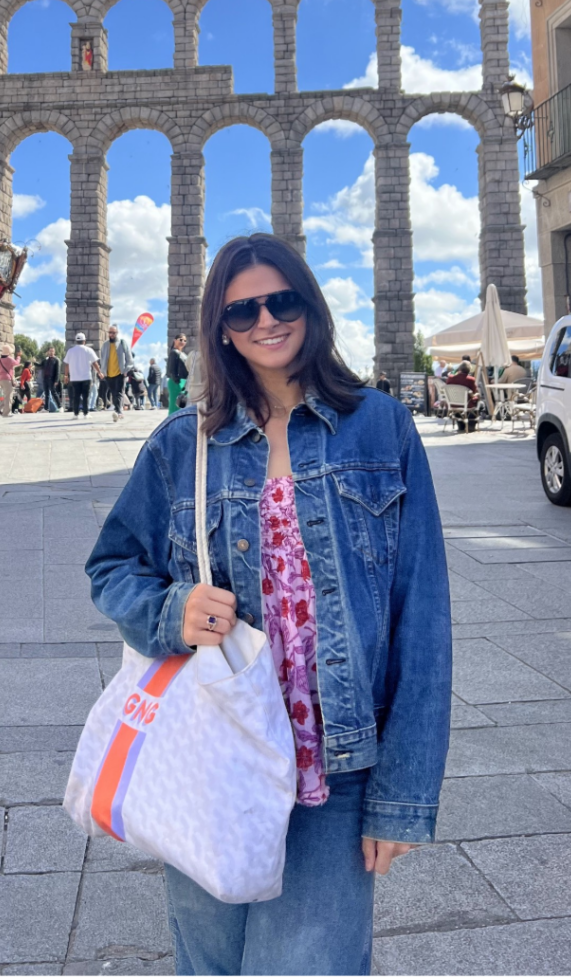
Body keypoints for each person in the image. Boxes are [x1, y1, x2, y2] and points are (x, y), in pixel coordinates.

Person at [86, 233, 451, 976]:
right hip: (216, 754)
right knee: (211, 967)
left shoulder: (382, 427)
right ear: (221, 328)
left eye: (280, 300)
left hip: (339, 763)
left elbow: (424, 617)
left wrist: (403, 794)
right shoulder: (182, 444)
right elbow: (112, 566)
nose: (265, 320)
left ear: (309, 307)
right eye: (242, 309)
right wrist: (171, 612)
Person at [63, 332, 102, 419]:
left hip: (74, 378)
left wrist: (66, 376)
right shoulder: (89, 350)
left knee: (76, 396)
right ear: (84, 341)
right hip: (86, 377)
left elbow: (66, 364)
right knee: (85, 396)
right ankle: (86, 413)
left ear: (76, 341)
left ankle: (76, 414)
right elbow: (94, 363)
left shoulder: (70, 351)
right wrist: (99, 372)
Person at [99, 324, 133, 422]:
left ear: (117, 333)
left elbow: (129, 358)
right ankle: (118, 411)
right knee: (114, 394)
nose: (111, 335)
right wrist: (103, 371)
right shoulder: (105, 345)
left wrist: (126, 370)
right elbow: (102, 359)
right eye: (110, 332)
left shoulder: (122, 343)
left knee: (119, 393)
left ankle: (118, 412)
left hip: (120, 373)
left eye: (113, 333)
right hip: (109, 374)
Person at [446, 361, 479, 431]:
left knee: (459, 408)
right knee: (480, 403)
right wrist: (477, 395)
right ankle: (471, 425)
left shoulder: (450, 378)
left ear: (459, 368)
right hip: (466, 404)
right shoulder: (471, 379)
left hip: (452, 403)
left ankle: (460, 425)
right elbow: (473, 392)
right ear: (469, 370)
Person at [166, 333, 189, 415]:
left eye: (185, 340)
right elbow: (172, 369)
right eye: (181, 339)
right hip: (176, 382)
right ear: (175, 341)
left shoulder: (181, 353)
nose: (183, 342)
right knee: (175, 405)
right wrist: (177, 382)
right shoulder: (174, 353)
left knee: (182, 404)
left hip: (183, 382)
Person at [0, 344, 20, 417]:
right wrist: (18, 357)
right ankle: (6, 413)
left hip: (1, 379)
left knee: (8, 396)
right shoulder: (9, 359)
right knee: (9, 396)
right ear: (9, 352)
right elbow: (17, 363)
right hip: (7, 379)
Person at [40, 347, 60, 412]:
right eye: (50, 351)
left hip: (52, 378)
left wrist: (56, 380)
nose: (51, 352)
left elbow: (58, 371)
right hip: (45, 378)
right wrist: (34, 362)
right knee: (47, 394)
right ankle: (46, 408)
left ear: (54, 352)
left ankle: (60, 406)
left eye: (52, 351)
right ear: (48, 352)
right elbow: (40, 365)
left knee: (54, 393)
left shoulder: (56, 360)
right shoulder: (46, 359)